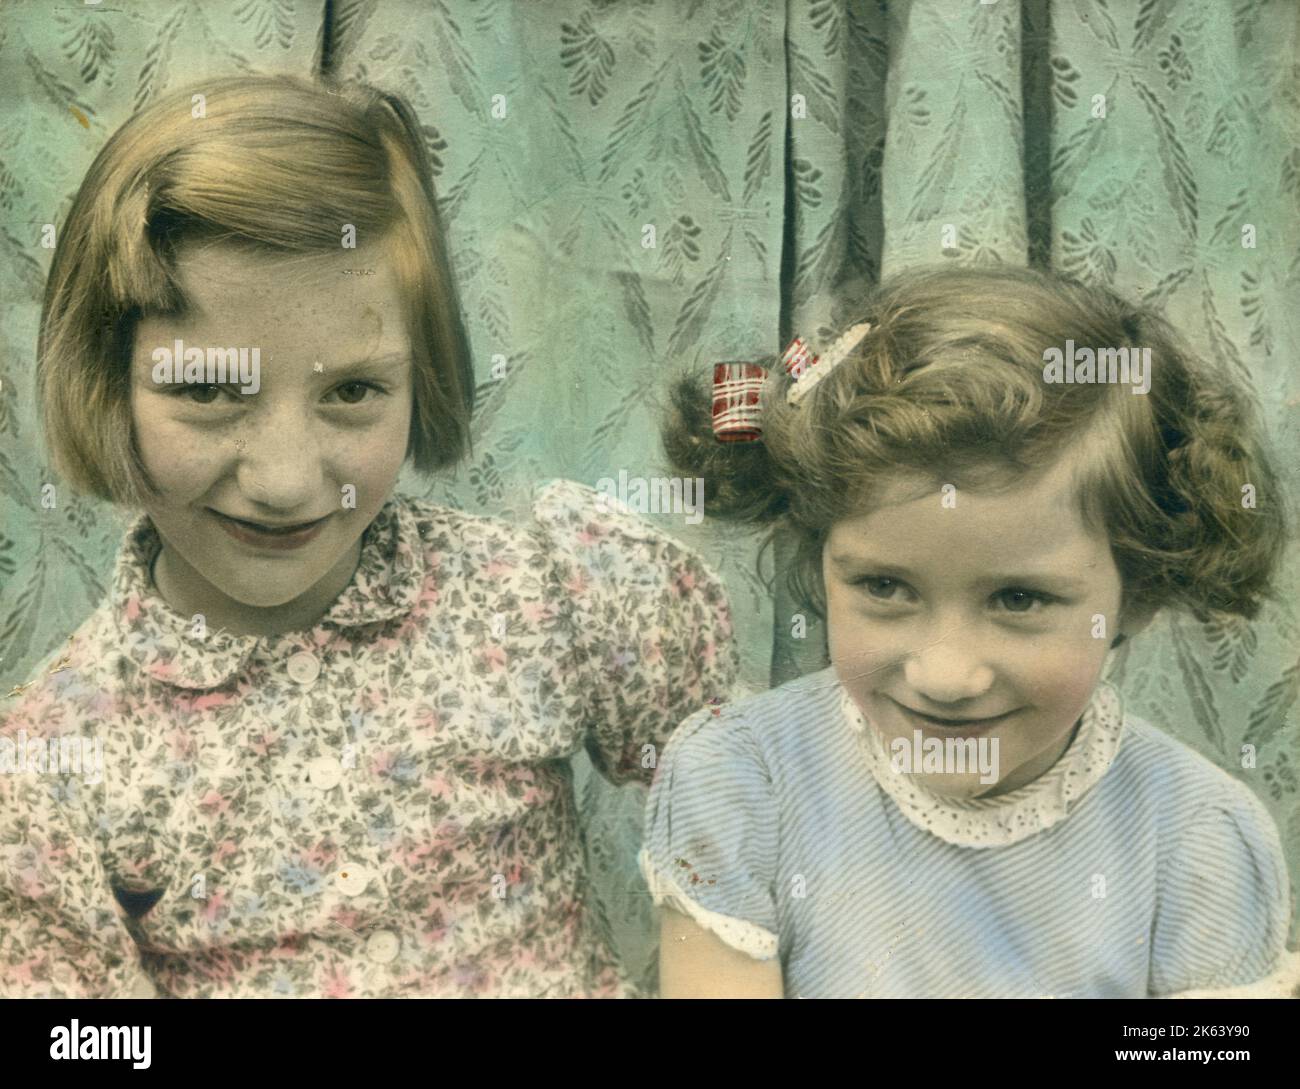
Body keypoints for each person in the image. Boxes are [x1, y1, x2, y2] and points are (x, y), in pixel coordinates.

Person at [0, 74, 736, 998]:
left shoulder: (541, 595)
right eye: (208, 390)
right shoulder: (53, 765)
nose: (285, 480)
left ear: (418, 376)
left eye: (351, 391)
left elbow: (757, 788)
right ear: (106, 385)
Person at [643, 265, 1292, 998]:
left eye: (1019, 598)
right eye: (884, 586)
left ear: (1137, 592)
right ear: (821, 557)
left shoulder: (1198, 835)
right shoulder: (742, 779)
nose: (945, 675)